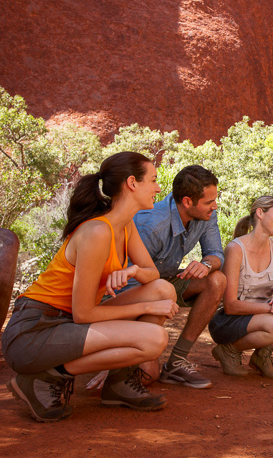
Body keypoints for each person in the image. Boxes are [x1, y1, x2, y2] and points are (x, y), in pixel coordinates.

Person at [2, 152, 179, 422]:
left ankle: (118, 384)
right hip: (34, 331)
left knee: (162, 289)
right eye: (153, 180)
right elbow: (84, 314)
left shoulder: (125, 226)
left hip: (67, 322)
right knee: (154, 339)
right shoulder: (97, 231)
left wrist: (132, 269)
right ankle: (46, 377)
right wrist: (148, 307)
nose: (157, 187)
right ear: (132, 183)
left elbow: (152, 274)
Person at [133, 165, 226, 389]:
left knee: (217, 279)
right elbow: (126, 284)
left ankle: (176, 362)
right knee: (147, 376)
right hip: (136, 290)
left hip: (165, 283)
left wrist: (206, 264)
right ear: (187, 201)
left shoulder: (206, 215)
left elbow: (216, 254)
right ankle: (116, 359)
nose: (214, 206)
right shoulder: (153, 226)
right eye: (208, 202)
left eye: (215, 199)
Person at [208, 195, 273, 378]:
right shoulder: (236, 249)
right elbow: (230, 306)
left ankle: (262, 355)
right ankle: (228, 350)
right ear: (260, 213)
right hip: (229, 320)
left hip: (262, 313)